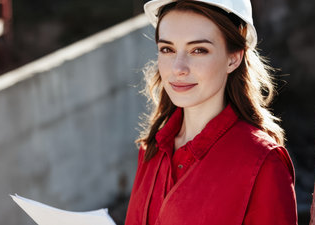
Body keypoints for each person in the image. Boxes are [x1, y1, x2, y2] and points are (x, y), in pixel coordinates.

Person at [124, 0, 298, 224]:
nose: (178, 68)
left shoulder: (262, 162)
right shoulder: (151, 149)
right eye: (167, 49)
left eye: (198, 50)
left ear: (233, 58)